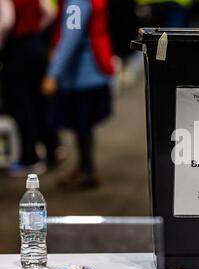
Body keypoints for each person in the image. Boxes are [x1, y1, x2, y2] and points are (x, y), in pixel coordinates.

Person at [42, 0, 115, 190]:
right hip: (88, 72)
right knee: (83, 126)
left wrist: (53, 73)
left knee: (82, 125)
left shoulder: (76, 2)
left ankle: (86, 171)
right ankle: (84, 168)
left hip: (83, 75)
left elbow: (70, 37)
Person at [1, 0, 60, 177]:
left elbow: (6, 21)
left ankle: (30, 158)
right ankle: (53, 148)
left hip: (17, 48)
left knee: (20, 106)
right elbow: (49, 12)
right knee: (40, 101)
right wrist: (36, 30)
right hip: (36, 46)